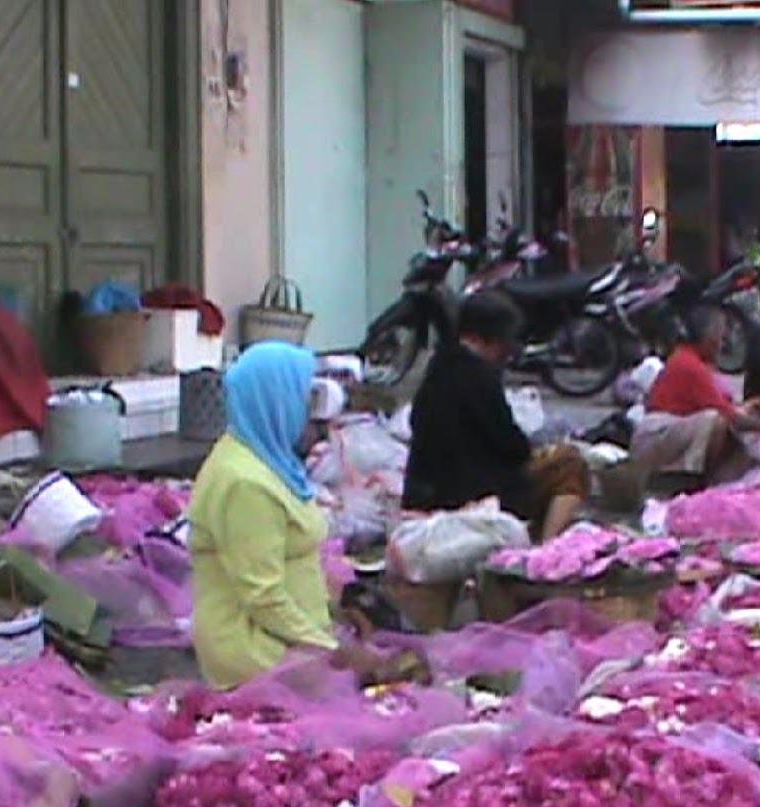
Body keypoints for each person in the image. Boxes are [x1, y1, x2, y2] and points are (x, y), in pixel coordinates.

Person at [187, 342, 382, 688]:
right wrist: (335, 650)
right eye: (306, 404)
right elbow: (262, 595)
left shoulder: (268, 461)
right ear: (276, 403)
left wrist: (335, 612)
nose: (317, 422)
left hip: (291, 634)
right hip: (251, 645)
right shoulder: (244, 483)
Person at [403, 291, 589, 542]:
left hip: (427, 490)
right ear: (495, 338)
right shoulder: (478, 376)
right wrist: (536, 449)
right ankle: (547, 545)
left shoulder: (439, 366)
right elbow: (511, 447)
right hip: (471, 493)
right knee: (569, 464)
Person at [632, 304, 760, 484]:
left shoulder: (694, 362)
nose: (722, 344)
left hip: (669, 432)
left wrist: (752, 409)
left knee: (734, 428)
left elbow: (726, 403)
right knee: (716, 421)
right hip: (655, 438)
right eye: (720, 337)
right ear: (707, 337)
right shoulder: (688, 365)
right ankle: (694, 478)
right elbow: (729, 416)